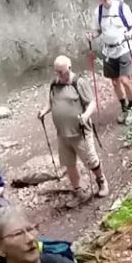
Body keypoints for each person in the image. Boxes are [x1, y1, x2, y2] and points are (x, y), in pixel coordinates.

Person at [41, 55, 106, 199]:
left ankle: (101, 181)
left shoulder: (79, 83)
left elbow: (92, 103)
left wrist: (85, 116)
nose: (59, 75)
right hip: (62, 133)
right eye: (57, 72)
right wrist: (44, 111)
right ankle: (79, 191)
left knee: (90, 160)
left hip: (80, 131)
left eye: (62, 72)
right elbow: (51, 102)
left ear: (69, 68)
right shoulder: (54, 84)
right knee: (69, 163)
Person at [91, 0, 132, 120]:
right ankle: (124, 107)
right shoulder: (98, 11)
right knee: (115, 82)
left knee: (124, 80)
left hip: (124, 48)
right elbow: (97, 30)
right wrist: (91, 35)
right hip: (108, 52)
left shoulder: (122, 7)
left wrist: (130, 33)